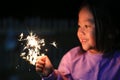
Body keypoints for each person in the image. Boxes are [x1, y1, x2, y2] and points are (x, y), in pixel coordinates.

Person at [35, 0, 120, 80]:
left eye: (86, 26)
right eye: (79, 26)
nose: (80, 32)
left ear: (109, 30)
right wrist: (51, 74)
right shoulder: (71, 59)